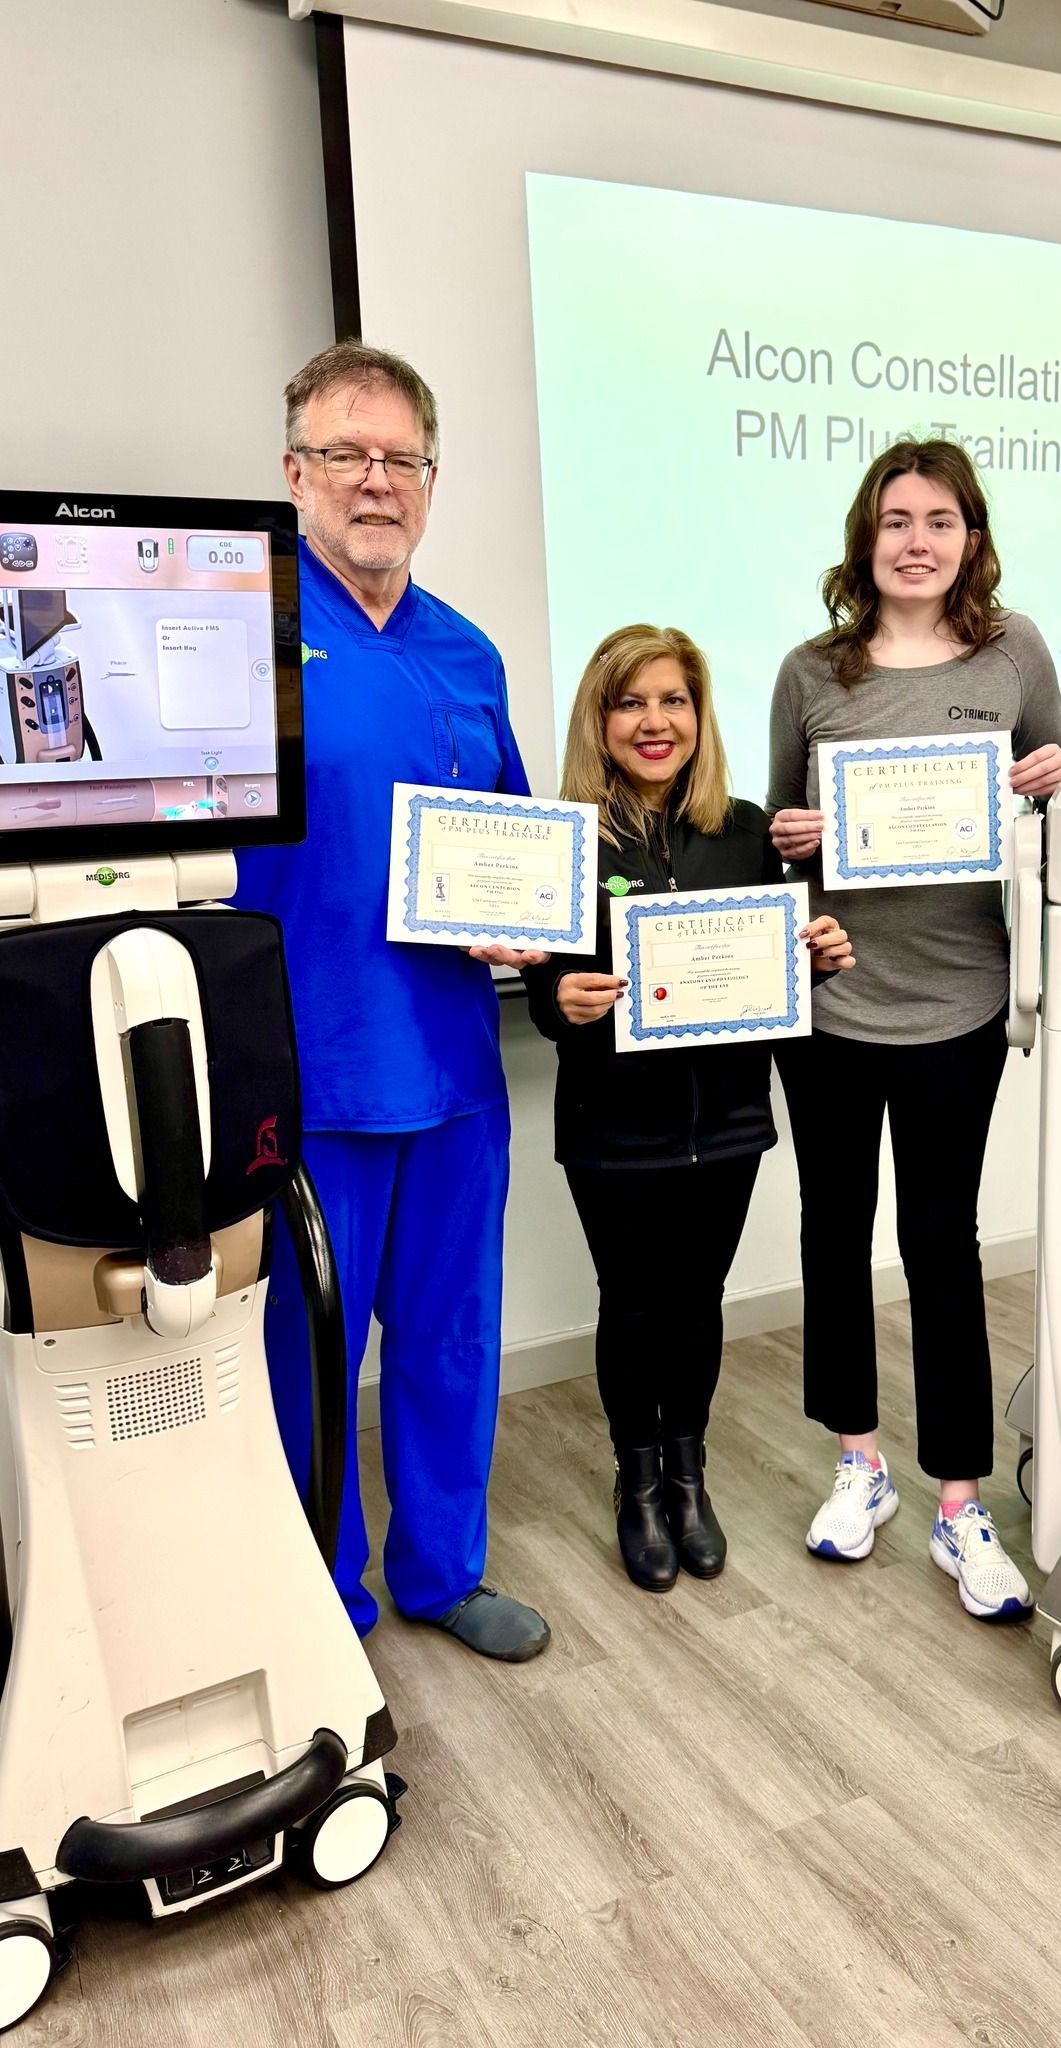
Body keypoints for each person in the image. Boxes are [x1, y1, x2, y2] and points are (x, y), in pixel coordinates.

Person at [235, 341, 549, 1661]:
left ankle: (440, 1569)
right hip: (308, 1073)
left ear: (429, 478)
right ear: (294, 471)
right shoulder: (241, 638)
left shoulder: (467, 654)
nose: (376, 479)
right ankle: (322, 1597)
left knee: (448, 1339)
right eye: (346, 454)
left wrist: (533, 930)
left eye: (400, 458)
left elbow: (518, 843)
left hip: (454, 1071)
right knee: (304, 1358)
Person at [767, 438, 1061, 1619]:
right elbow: (777, 829)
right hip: (832, 1004)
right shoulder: (810, 670)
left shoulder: (1014, 652)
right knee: (832, 1228)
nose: (915, 540)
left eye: (938, 520)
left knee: (941, 1241)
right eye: (894, 519)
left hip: (961, 998)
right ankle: (859, 1463)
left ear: (969, 537)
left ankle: (958, 1500)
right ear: (865, 537)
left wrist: (1054, 776)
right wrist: (793, 837)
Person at [524, 626, 853, 1592]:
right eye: (630, 703)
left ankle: (687, 1476)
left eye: (673, 700)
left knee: (697, 1301)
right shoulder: (563, 841)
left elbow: (769, 977)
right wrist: (559, 1000)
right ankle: (636, 1486)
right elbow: (542, 989)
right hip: (612, 1124)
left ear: (699, 716)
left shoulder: (745, 831)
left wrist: (815, 961)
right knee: (632, 1305)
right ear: (598, 719)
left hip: (729, 1123)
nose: (654, 722)